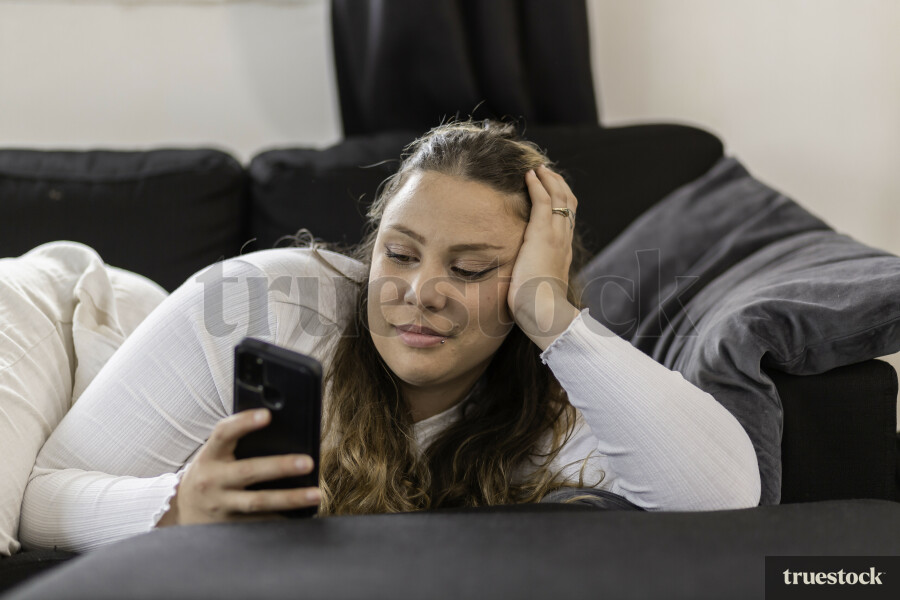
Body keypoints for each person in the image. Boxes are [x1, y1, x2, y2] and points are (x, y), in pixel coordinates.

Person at [20, 121, 760, 552]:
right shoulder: (257, 301)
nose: (418, 292)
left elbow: (724, 499)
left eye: (470, 268)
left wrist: (550, 316)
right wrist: (177, 508)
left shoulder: (562, 391)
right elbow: (39, 496)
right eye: (399, 254)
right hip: (75, 325)